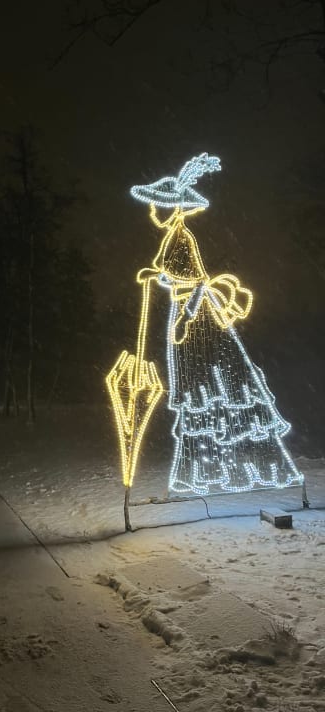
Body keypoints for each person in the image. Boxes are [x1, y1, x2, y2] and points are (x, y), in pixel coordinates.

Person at [110, 153, 303, 495]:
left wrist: (185, 317)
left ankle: (240, 466)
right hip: (186, 311)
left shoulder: (183, 237)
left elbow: (197, 281)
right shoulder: (173, 237)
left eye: (159, 205)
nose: (153, 211)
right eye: (154, 205)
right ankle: (206, 468)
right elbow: (174, 275)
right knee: (199, 389)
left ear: (176, 208)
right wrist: (156, 275)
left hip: (197, 317)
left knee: (206, 387)